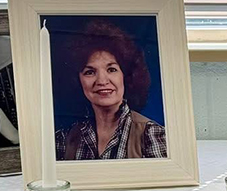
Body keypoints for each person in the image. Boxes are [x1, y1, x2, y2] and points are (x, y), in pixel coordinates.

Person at [56, 19, 166, 161]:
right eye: (90, 72)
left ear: (126, 76)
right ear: (77, 80)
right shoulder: (64, 139)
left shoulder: (152, 135)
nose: (102, 81)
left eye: (111, 69)